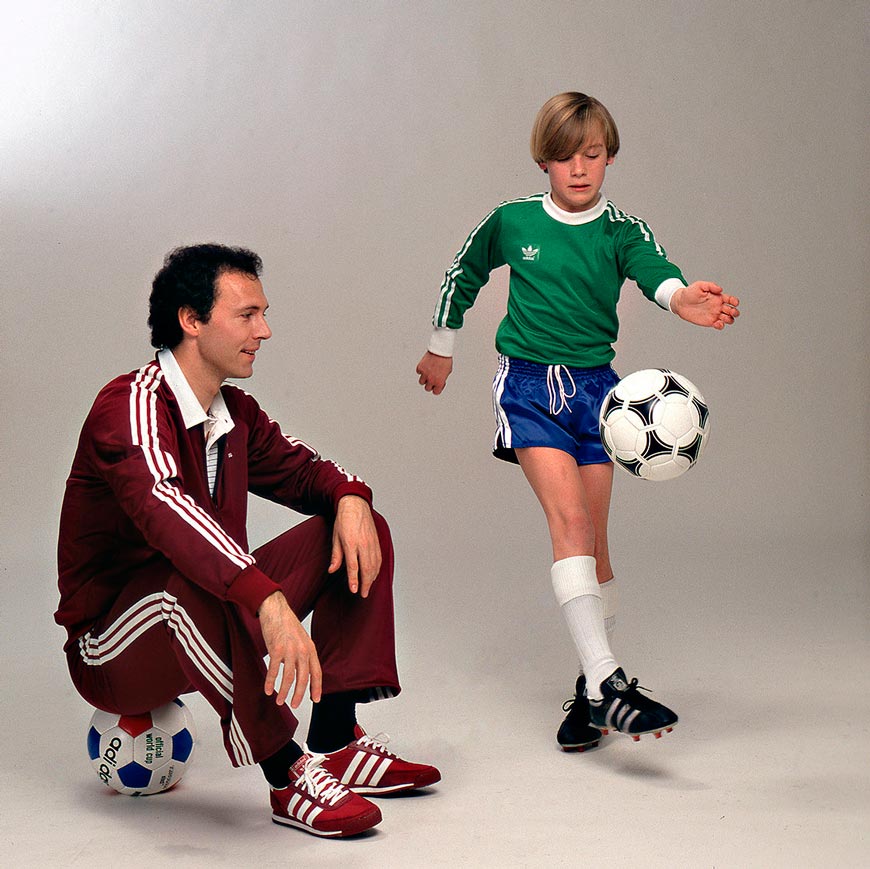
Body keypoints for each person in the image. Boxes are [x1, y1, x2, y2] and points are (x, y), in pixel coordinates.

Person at [56, 243, 439, 838]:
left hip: (208, 626)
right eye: (247, 315)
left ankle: (336, 740)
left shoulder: (235, 414)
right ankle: (287, 775)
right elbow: (168, 511)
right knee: (179, 583)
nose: (264, 330)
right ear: (191, 320)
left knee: (358, 530)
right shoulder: (127, 406)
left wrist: (351, 497)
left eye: (263, 314)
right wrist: (267, 598)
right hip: (111, 647)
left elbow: (305, 470)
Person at [416, 92, 740, 751]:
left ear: (610, 157)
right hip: (530, 385)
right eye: (564, 157)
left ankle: (592, 695)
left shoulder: (622, 230)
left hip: (602, 394)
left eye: (591, 155)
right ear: (544, 161)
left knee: (595, 545)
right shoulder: (511, 221)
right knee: (569, 523)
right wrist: (440, 348)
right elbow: (463, 272)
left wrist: (685, 301)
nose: (579, 169)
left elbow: (659, 275)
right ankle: (610, 683)